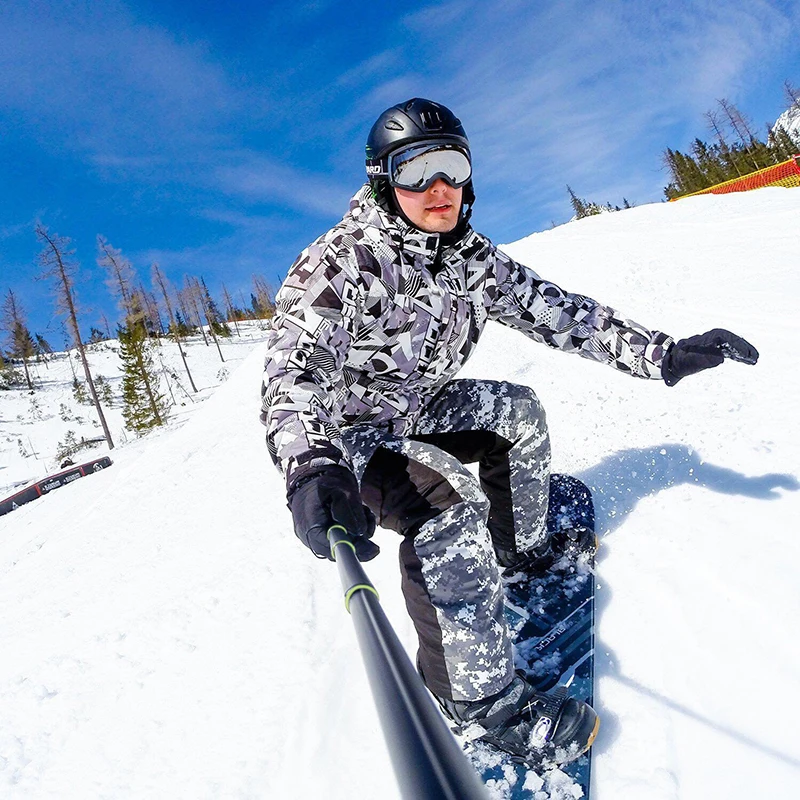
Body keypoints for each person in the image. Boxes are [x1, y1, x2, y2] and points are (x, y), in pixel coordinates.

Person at [259, 98, 758, 765]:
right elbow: (292, 372)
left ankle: (517, 549)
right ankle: (479, 700)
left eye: (452, 165)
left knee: (515, 411)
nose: (438, 187)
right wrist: (312, 467)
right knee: (447, 504)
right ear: (384, 180)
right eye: (416, 170)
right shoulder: (343, 263)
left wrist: (663, 353)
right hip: (347, 436)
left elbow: (563, 314)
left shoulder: (472, 260)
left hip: (413, 406)